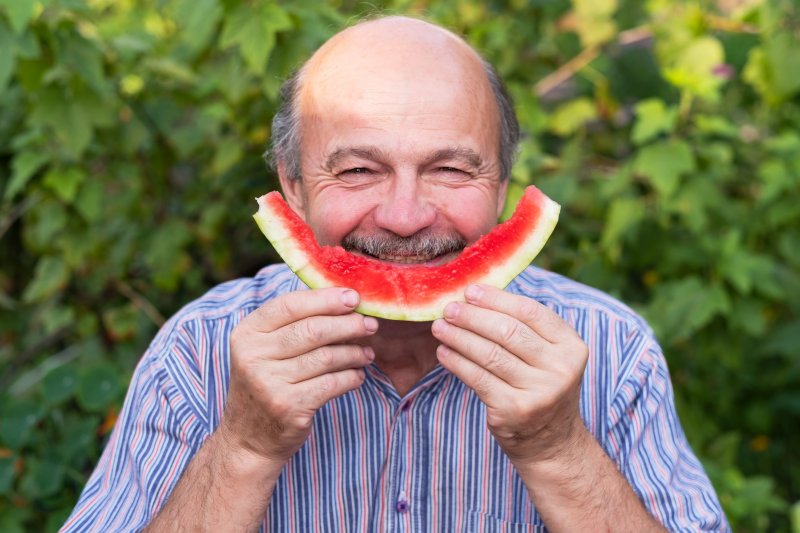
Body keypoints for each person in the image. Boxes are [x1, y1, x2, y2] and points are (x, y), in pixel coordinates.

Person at [62, 16, 728, 532]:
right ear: (292, 186)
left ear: (500, 186)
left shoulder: (610, 348)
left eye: (450, 168)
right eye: (357, 170)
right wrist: (242, 444)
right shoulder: (200, 350)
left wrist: (559, 450)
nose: (405, 216)